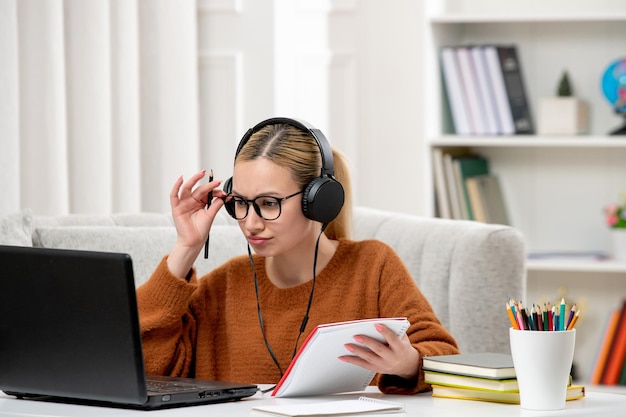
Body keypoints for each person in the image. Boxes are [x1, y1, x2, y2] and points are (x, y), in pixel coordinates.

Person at [137, 117, 459, 395]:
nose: (250, 223)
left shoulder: (372, 267)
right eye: (241, 202)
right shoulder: (224, 285)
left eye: (269, 203)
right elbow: (146, 369)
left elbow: (444, 358)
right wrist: (186, 248)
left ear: (317, 201)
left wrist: (408, 364)